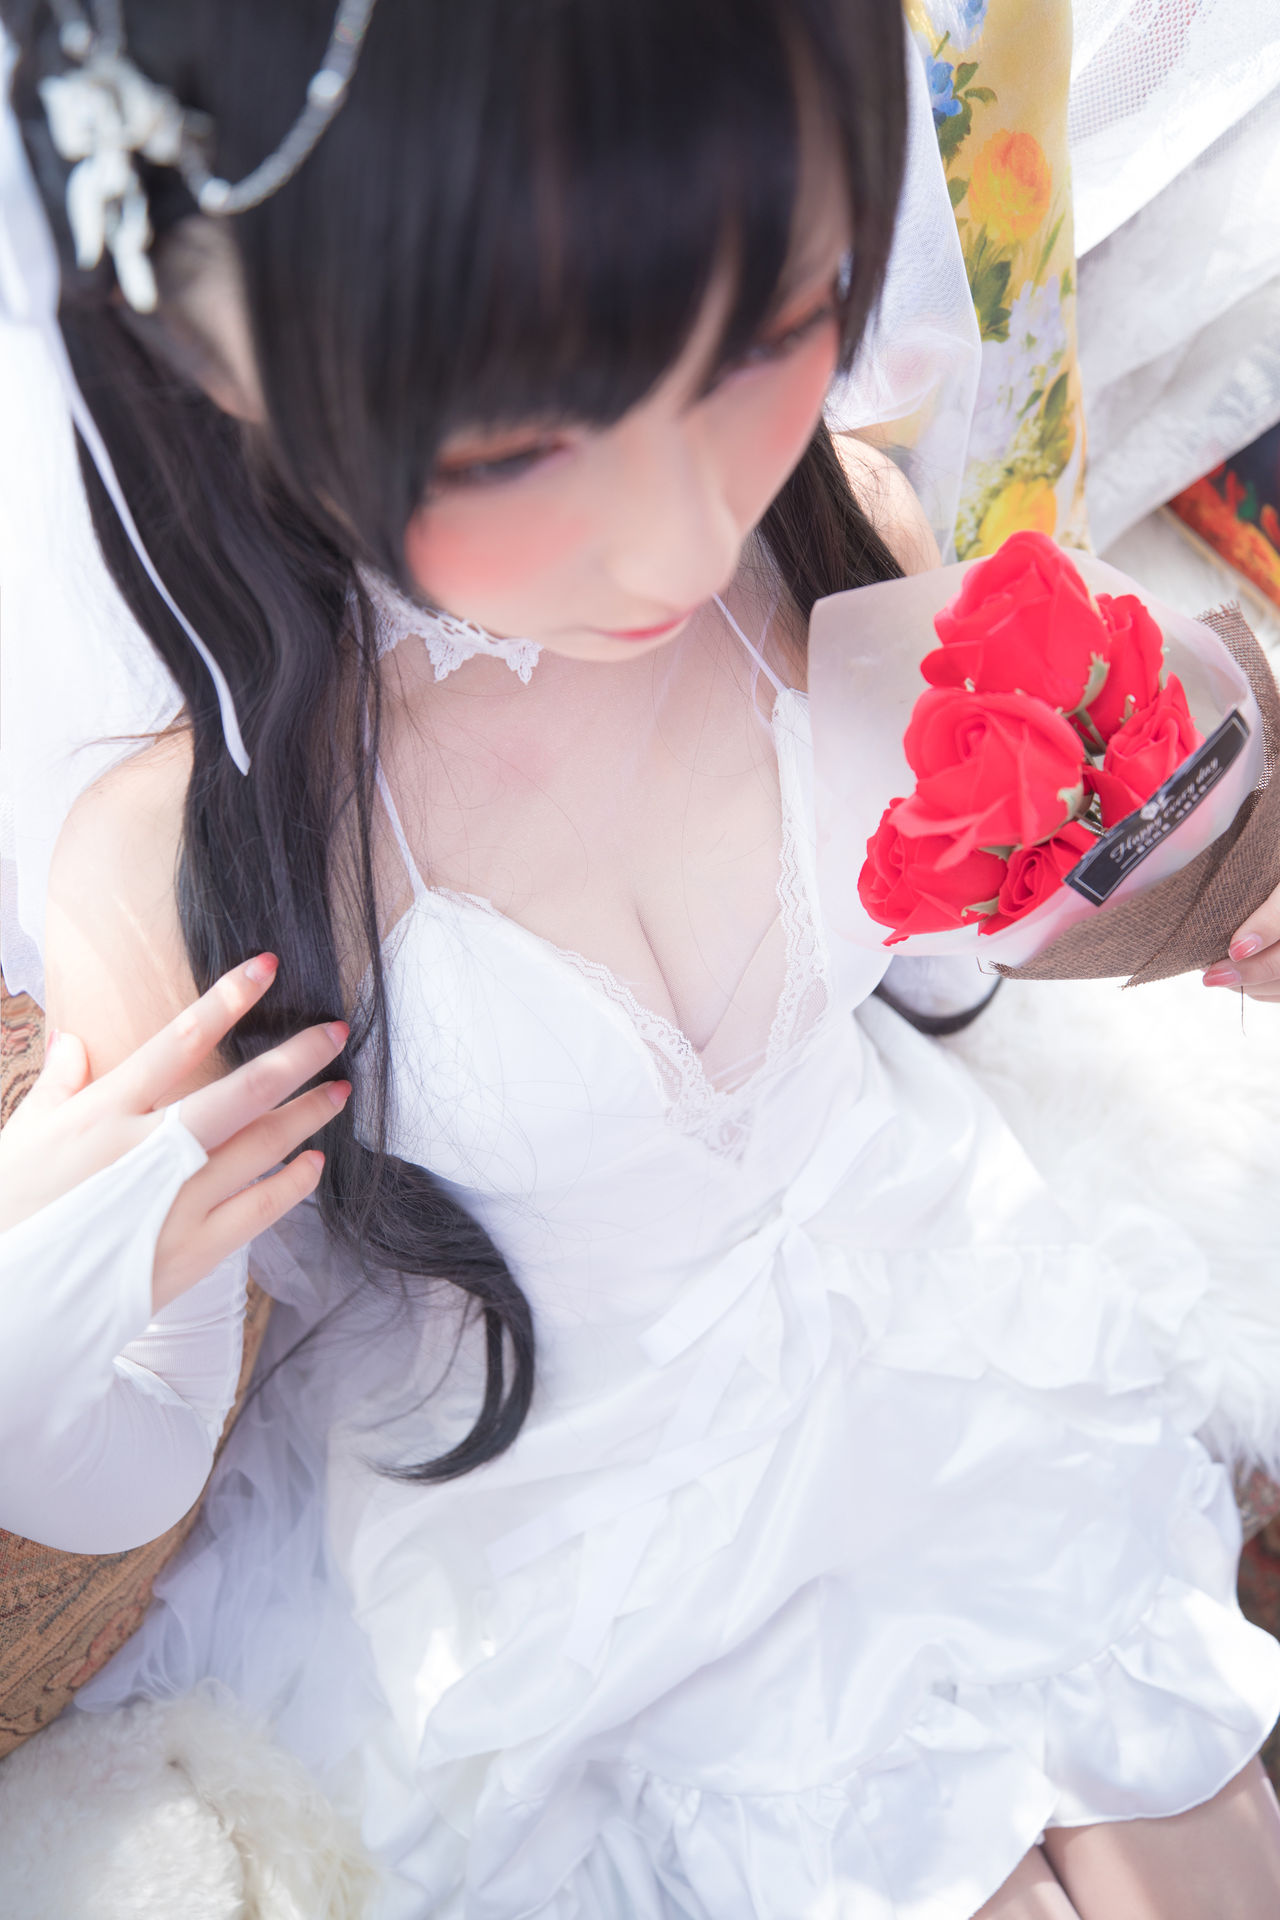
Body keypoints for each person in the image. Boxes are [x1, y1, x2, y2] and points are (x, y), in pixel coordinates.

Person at [3, 3, 1280, 1916]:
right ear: (220, 362)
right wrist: (50, 1284)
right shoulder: (186, 854)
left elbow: (954, 942)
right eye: (525, 446)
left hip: (937, 1331)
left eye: (772, 333)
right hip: (561, 1547)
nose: (681, 537)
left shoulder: (828, 541)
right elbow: (122, 1472)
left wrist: (1192, 873)